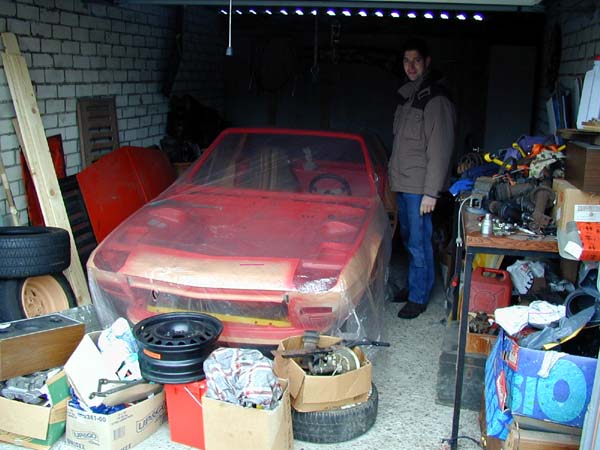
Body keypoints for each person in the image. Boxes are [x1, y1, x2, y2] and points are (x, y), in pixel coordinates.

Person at [388, 38, 456, 319]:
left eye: (416, 60)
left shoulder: (435, 99)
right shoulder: (410, 96)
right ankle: (414, 286)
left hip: (419, 188)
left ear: (427, 62)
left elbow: (440, 148)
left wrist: (431, 192)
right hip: (404, 184)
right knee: (408, 240)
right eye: (407, 61)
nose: (411, 66)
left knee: (419, 243)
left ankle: (418, 297)